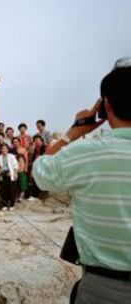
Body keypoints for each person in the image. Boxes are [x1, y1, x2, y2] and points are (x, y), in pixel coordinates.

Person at [32, 60, 131, 303]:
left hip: (103, 288)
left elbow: (40, 171)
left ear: (105, 105)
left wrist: (72, 133)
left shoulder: (84, 153)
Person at [0, 144, 18, 210]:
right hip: (3, 174)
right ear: (1, 150)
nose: (3, 150)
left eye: (5, 148)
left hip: (10, 174)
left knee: (11, 190)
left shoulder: (11, 156)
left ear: (7, 149)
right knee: (3, 190)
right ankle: (5, 205)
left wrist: (15, 174)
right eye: (2, 148)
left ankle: (12, 205)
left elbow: (15, 166)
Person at [30, 135, 48, 199]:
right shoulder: (35, 149)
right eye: (35, 140)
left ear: (41, 141)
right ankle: (35, 195)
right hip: (37, 167)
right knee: (35, 180)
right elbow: (33, 158)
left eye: (38, 140)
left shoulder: (45, 147)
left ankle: (43, 194)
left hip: (44, 166)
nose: (36, 142)